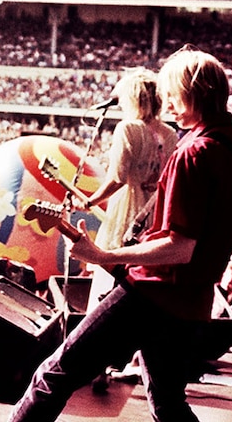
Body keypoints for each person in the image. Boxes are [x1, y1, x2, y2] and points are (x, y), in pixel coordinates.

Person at [7, 47, 232, 422]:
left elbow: (180, 247)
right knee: (168, 403)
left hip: (154, 294)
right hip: (195, 299)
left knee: (54, 376)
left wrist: (102, 256)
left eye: (173, 92)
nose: (167, 101)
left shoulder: (193, 152)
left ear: (194, 92)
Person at [81, 69, 178, 392]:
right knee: (145, 281)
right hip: (157, 207)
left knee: (109, 273)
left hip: (130, 205)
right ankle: (142, 363)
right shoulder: (171, 132)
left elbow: (119, 176)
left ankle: (97, 364)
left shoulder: (128, 128)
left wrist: (92, 199)